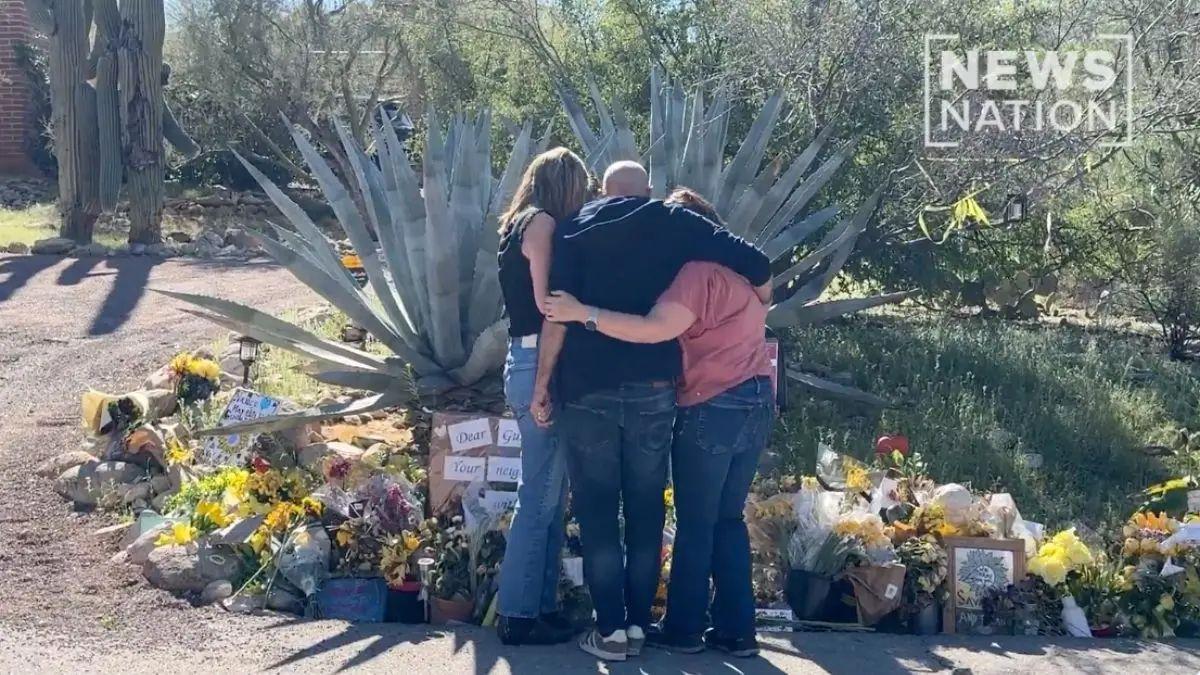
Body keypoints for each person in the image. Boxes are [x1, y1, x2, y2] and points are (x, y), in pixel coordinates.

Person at [531, 164, 771, 662]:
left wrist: (542, 382)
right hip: (660, 392)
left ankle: (613, 632)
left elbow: (555, 313)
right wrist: (762, 299)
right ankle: (643, 625)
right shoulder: (675, 225)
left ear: (603, 190)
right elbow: (757, 262)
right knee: (647, 509)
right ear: (647, 192)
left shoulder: (575, 226)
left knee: (599, 512)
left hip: (588, 388)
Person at [493, 146, 591, 646]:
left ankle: (540, 605)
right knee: (537, 495)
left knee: (549, 493)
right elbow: (546, 303)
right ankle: (517, 614)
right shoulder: (544, 225)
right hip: (537, 363)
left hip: (521, 356)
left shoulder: (514, 224)